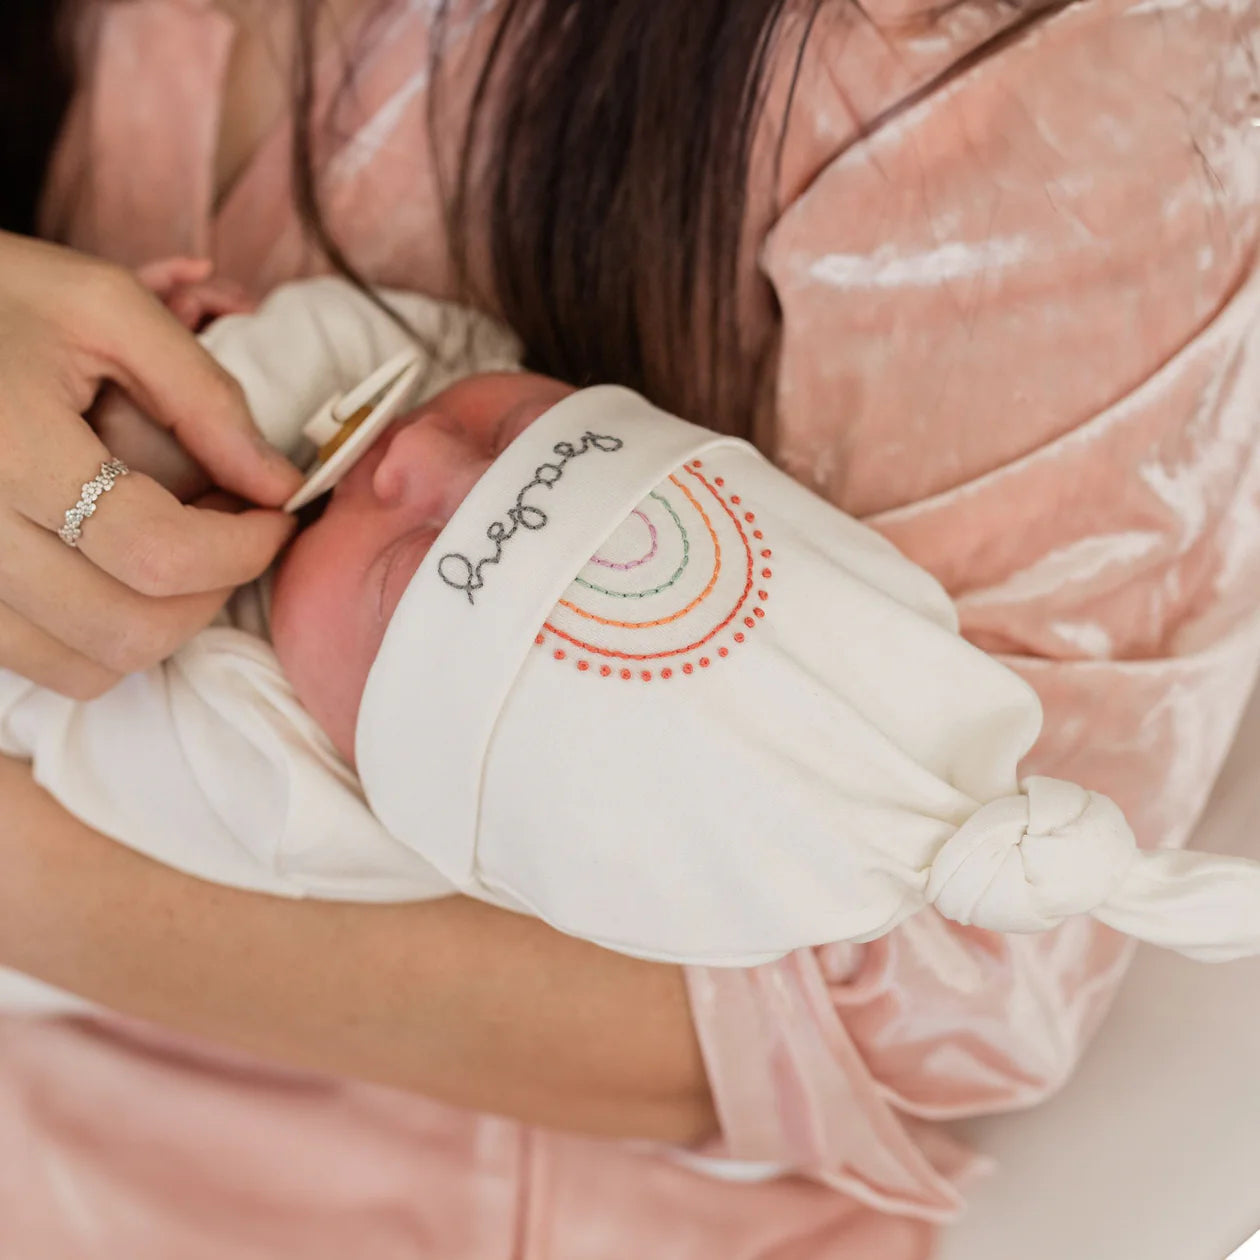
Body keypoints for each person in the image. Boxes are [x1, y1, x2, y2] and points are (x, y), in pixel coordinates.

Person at [1, 0, 1258, 1256]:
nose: (412, 453)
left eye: (412, 569)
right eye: (514, 434)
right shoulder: (395, 488)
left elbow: (936, 995)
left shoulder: (278, 781)